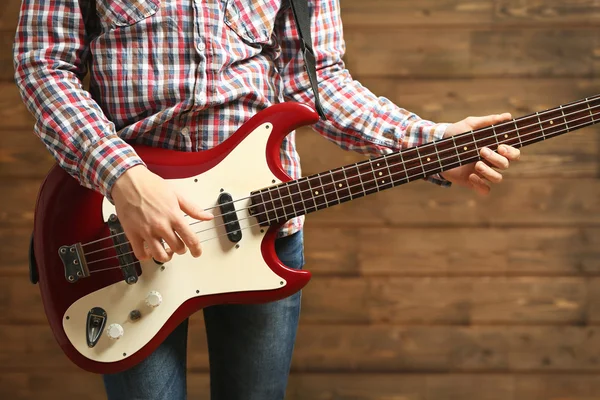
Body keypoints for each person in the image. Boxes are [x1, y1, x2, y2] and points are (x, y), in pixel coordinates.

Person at [13, 0, 521, 399]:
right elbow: (43, 65)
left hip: (259, 231)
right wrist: (124, 177)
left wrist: (429, 145)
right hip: (124, 227)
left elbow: (319, 81)